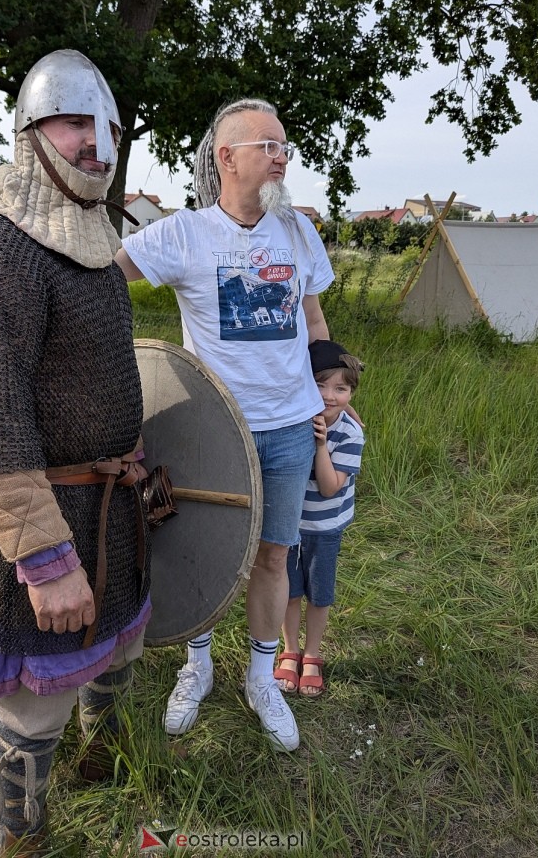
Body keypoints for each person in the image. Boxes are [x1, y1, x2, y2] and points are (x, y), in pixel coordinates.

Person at [0, 50, 150, 856]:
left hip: (117, 510)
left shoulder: (95, 246)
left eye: (110, 128)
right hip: (50, 527)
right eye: (75, 122)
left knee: (120, 640)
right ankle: (18, 841)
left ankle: (107, 759)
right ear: (29, 134)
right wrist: (46, 559)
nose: (98, 144)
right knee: (35, 705)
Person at [114, 98, 336, 752]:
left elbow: (315, 324)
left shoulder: (297, 231)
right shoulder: (183, 234)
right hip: (212, 431)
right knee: (202, 552)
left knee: (273, 554)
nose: (280, 155)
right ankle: (198, 665)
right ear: (226, 156)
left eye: (284, 145)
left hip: (290, 429)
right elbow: (101, 277)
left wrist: (327, 394)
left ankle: (261, 679)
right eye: (266, 144)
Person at [274, 340, 365, 698]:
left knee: (319, 595)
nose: (329, 396)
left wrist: (321, 444)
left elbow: (329, 488)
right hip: (291, 524)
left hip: (325, 528)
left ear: (351, 393)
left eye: (340, 389)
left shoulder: (349, 434)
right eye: (320, 385)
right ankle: (290, 649)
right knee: (289, 592)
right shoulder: (295, 421)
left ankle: (312, 653)